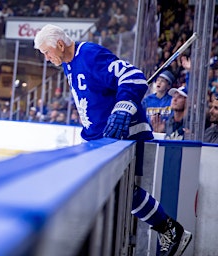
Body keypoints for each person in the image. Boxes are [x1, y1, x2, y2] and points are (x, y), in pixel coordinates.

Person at [34, 24, 192, 256]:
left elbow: (135, 78)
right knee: (115, 193)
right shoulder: (69, 65)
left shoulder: (89, 55)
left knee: (117, 192)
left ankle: (169, 229)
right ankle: (168, 229)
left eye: (47, 52)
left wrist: (123, 107)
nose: (47, 58)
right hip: (100, 141)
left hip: (122, 136)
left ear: (59, 44)